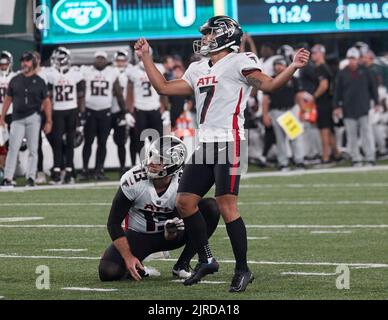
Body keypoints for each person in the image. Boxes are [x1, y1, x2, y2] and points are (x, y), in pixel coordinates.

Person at [134, 15, 310, 292]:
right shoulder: (196, 68)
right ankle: (206, 258)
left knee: (227, 206)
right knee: (185, 202)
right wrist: (146, 57)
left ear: (224, 36)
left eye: (208, 34)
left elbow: (271, 85)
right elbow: (163, 87)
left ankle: (243, 269)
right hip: (206, 144)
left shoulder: (240, 61)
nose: (204, 39)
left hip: (231, 141)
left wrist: (293, 67)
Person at [98, 135, 220, 282]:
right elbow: (113, 223)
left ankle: (182, 264)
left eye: (159, 159)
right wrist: (128, 257)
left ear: (174, 163)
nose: (152, 163)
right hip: (139, 236)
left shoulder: (184, 180)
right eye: (151, 156)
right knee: (108, 272)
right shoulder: (133, 180)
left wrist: (173, 230)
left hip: (175, 233)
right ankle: (139, 267)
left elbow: (188, 216)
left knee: (211, 208)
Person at [0, 52, 52, 187]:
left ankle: (31, 177)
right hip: (17, 118)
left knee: (33, 149)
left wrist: (49, 120)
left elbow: (46, 102)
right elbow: (8, 99)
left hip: (33, 117)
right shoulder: (15, 79)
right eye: (23, 61)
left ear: (33, 63)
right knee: (13, 148)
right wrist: (2, 116)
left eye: (27, 61)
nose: (24, 63)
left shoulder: (39, 81)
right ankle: (8, 177)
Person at [80, 51, 126, 181]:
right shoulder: (86, 71)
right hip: (90, 111)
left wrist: (124, 111)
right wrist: (81, 112)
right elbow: (81, 93)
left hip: (105, 112)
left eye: (102, 58)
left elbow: (118, 93)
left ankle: (99, 169)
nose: (100, 60)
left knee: (102, 142)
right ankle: (85, 169)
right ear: (94, 59)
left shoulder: (112, 72)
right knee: (88, 142)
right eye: (98, 58)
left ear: (106, 60)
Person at [333, 47, 379, 167]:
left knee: (366, 134)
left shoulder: (365, 71)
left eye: (353, 58)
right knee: (351, 136)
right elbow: (337, 92)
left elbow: (373, 87)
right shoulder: (342, 73)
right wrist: (336, 106)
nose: (351, 61)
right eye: (350, 58)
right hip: (348, 109)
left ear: (358, 59)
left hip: (363, 107)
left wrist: (377, 102)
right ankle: (356, 158)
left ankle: (370, 157)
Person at [48, 47, 85, 184]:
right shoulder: (51, 74)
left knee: (70, 141)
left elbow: (81, 96)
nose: (58, 62)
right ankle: (57, 169)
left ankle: (69, 170)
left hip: (71, 110)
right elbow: (49, 97)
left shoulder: (76, 73)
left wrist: (81, 115)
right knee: (57, 141)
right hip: (57, 111)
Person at [262, 58, 305, 171]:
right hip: (276, 111)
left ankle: (299, 161)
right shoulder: (270, 78)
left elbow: (299, 96)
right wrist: (265, 115)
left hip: (290, 111)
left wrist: (302, 110)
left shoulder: (293, 79)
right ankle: (283, 163)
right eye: (276, 64)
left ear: (286, 66)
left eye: (280, 64)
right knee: (280, 139)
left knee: (295, 137)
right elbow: (265, 99)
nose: (278, 67)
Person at [127, 48, 166, 160]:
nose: (141, 58)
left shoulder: (159, 68)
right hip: (139, 110)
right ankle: (141, 166)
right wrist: (128, 111)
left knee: (158, 141)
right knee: (139, 142)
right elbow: (129, 93)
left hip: (155, 109)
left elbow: (164, 89)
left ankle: (159, 164)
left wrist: (166, 109)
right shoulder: (132, 71)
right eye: (139, 57)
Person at [310, 44, 341, 164]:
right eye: (312, 53)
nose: (313, 55)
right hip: (326, 102)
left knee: (324, 130)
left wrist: (313, 97)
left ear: (322, 54)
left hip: (324, 102)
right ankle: (336, 154)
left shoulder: (322, 68)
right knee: (328, 129)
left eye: (315, 53)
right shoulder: (321, 67)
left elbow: (324, 85)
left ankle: (325, 156)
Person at [112, 50, 132, 177]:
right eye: (118, 61)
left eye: (122, 61)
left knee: (123, 141)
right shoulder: (110, 72)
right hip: (111, 109)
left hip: (126, 111)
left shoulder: (130, 73)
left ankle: (123, 167)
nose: (120, 63)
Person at [0, 51, 17, 173]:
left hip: (13, 113)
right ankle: (3, 170)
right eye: (1, 64)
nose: (3, 67)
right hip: (0, 114)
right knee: (1, 145)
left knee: (13, 144)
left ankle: (11, 172)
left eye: (5, 64)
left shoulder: (15, 77)